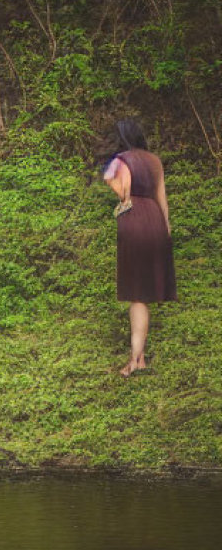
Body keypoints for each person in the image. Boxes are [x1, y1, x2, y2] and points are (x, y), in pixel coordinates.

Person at [103, 118, 177, 377]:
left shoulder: (121, 159)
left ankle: (136, 360)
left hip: (134, 218)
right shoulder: (155, 161)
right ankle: (140, 356)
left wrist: (123, 193)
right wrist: (166, 231)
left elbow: (113, 182)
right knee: (143, 294)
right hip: (156, 220)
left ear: (122, 137)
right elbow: (162, 199)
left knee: (136, 293)